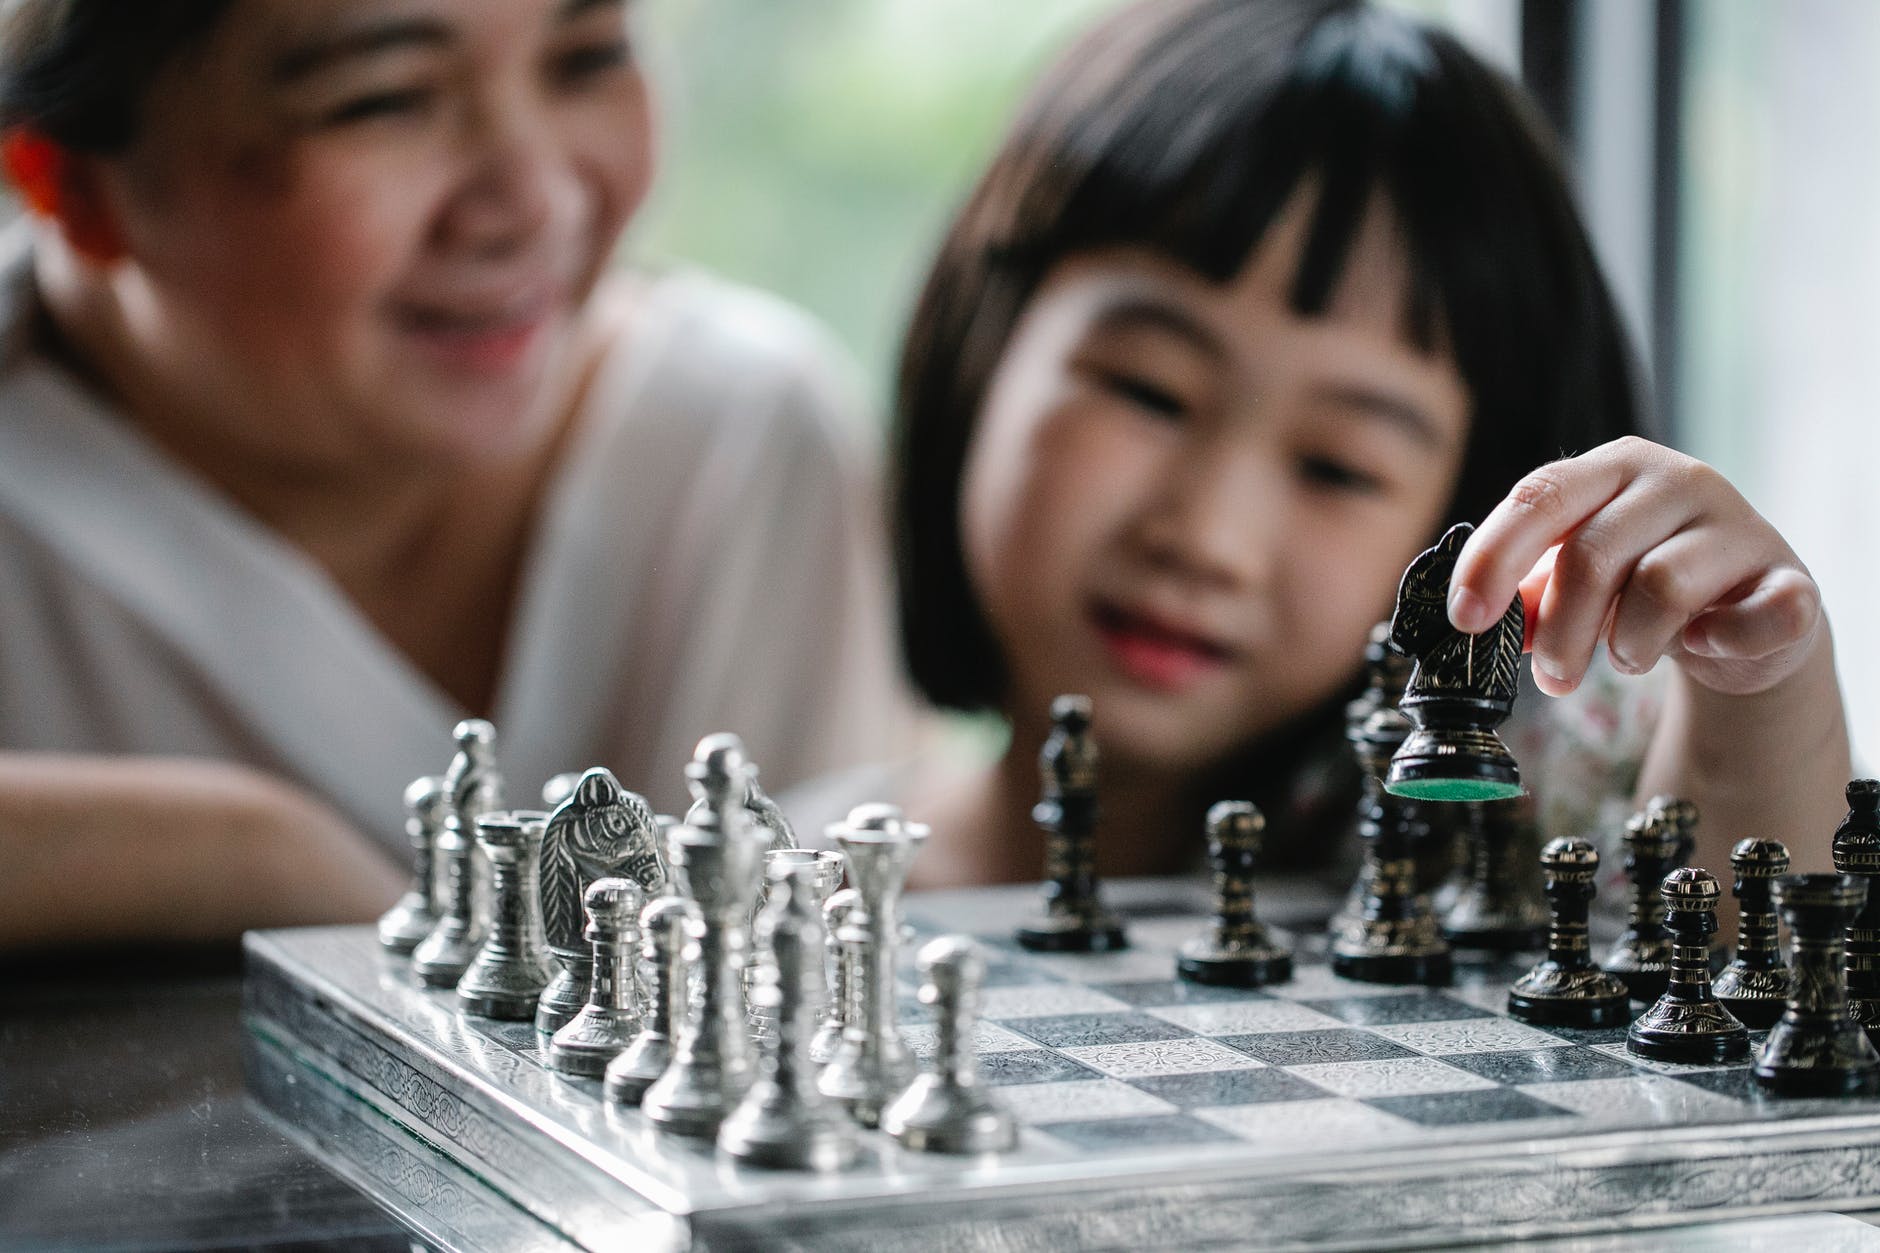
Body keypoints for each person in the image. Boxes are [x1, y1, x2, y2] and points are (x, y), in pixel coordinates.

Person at [790, 0, 1850, 894]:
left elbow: (1741, 945)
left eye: (1337, 465)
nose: (1206, 533)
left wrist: (1753, 697)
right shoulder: (783, 881)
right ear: (983, 345)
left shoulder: (1504, 827)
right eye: (1148, 391)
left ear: (1472, 513)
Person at [0, 0, 911, 948]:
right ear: (73, 187)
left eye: (587, 59)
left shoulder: (734, 445)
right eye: (385, 101)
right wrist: (232, 855)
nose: (535, 203)